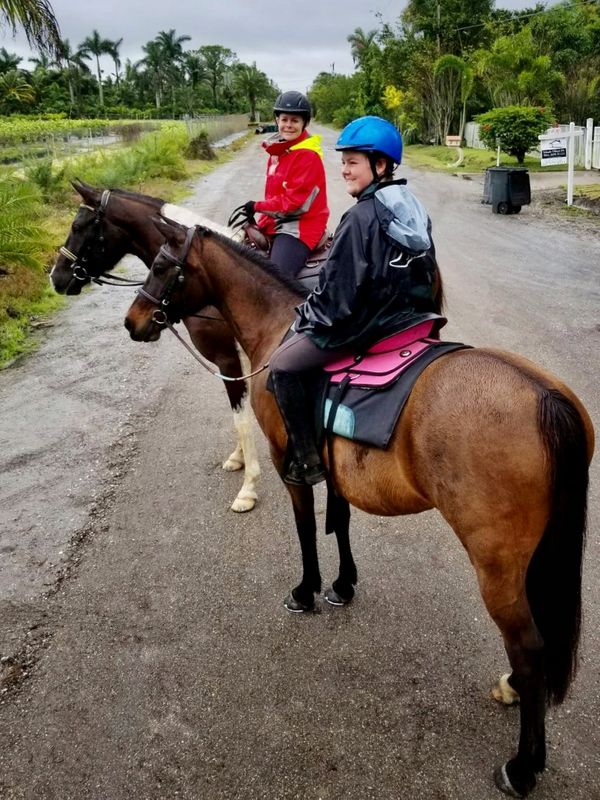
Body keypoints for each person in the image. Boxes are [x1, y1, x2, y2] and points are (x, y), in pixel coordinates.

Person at [269, 115, 441, 486]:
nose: (344, 170)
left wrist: (304, 314)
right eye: (343, 161)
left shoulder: (358, 218)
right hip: (412, 319)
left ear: (380, 165)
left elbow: (337, 304)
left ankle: (307, 459)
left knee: (282, 365)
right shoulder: (411, 206)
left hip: (369, 325)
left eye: (352, 162)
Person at [235, 90, 329, 277]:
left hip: (300, 227)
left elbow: (294, 204)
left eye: (295, 120)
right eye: (284, 119)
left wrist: (257, 206)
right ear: (277, 120)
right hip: (277, 222)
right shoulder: (279, 152)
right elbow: (274, 196)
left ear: (304, 123)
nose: (288, 125)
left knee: (275, 281)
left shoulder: (307, 156)